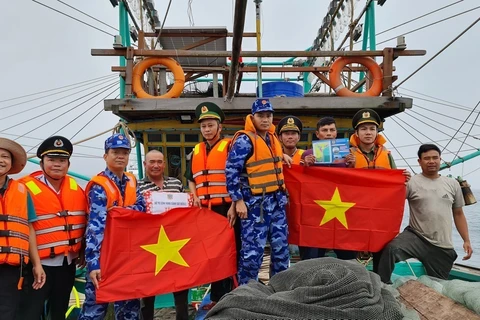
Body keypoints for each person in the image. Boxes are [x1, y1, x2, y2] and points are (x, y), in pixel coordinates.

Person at [374, 144, 473, 283]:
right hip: (416, 236)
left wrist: (466, 240)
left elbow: (458, 214)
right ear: (419, 162)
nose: (431, 161)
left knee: (440, 286)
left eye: (435, 158)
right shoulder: (411, 182)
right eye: (426, 158)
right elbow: (390, 203)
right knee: (391, 250)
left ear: (440, 159)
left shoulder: (452, 184)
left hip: (442, 245)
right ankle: (382, 286)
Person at [17, 136, 87, 320]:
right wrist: (34, 264)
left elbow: (85, 222)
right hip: (36, 265)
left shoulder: (77, 188)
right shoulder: (24, 188)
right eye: (51, 160)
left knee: (58, 312)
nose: (57, 164)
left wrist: (83, 250)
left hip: (67, 264)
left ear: (68, 164)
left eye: (62, 160)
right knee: (30, 312)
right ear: (41, 163)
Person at [79, 133, 146, 320]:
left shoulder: (132, 181)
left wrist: (117, 211)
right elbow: (94, 227)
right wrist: (93, 264)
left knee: (129, 309)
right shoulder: (99, 186)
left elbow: (142, 207)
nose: (120, 156)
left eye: (124, 152)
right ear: (105, 156)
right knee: (95, 309)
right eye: (115, 152)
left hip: (128, 254)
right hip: (105, 256)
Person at [226, 98, 289, 285]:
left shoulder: (272, 138)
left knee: (281, 251)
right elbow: (231, 172)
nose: (265, 119)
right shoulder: (244, 140)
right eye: (261, 115)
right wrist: (237, 201)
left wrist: (282, 155)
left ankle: (280, 290)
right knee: (252, 254)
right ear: (252, 117)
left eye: (269, 115)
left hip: (277, 203)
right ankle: (247, 294)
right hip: (255, 206)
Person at [185, 102, 240, 310]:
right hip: (206, 211)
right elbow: (191, 178)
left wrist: (234, 204)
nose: (207, 130)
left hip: (227, 208)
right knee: (213, 255)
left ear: (219, 127)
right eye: (203, 126)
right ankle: (218, 298)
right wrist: (195, 195)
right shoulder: (196, 150)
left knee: (233, 250)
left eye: (210, 125)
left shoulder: (229, 147)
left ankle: (235, 294)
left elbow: (236, 178)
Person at [139, 150, 190, 320]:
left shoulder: (176, 184)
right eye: (152, 162)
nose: (156, 165)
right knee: (147, 289)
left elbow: (186, 212)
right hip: (150, 244)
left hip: (176, 241)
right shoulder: (138, 187)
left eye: (159, 162)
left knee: (181, 286)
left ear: (164, 164)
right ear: (145, 164)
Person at [299, 117, 357, 261]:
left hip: (340, 211)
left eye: (332, 130)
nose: (329, 133)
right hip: (317, 213)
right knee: (313, 256)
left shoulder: (348, 155)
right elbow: (300, 183)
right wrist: (304, 167)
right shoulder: (308, 155)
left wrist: (352, 167)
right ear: (318, 134)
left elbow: (354, 184)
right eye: (325, 130)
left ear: (336, 133)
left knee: (347, 256)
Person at [0, 138, 45, 320]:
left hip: (12, 268)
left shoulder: (21, 191)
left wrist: (37, 264)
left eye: (4, 157)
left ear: (11, 163)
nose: (1, 160)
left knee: (7, 312)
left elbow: (29, 228)